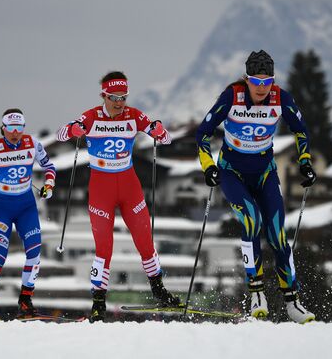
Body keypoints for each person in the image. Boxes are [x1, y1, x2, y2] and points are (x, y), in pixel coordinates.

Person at [195, 50, 317, 323]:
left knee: (277, 235)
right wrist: (209, 166)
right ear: (247, 80)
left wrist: (305, 162)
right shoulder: (232, 96)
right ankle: (257, 293)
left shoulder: (281, 98)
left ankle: (292, 302)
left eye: (267, 82)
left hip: (265, 173)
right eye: (256, 82)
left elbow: (301, 131)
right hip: (232, 173)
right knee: (251, 222)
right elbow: (202, 133)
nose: (262, 88)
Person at [56, 71, 179, 322]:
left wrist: (158, 130)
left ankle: (159, 290)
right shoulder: (90, 116)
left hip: (129, 186)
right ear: (104, 95)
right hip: (101, 190)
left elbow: (165, 138)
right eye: (114, 97)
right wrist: (73, 129)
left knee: (145, 241)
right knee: (104, 248)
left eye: (123, 97)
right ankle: (98, 302)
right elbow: (61, 134)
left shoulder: (134, 115)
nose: (120, 102)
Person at [0, 108, 56, 320]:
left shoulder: (33, 144)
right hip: (3, 207)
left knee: (34, 254)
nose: (15, 132)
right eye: (10, 128)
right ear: (3, 128)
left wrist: (49, 185)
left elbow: (49, 166)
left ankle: (25, 301)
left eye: (19, 127)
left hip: (26, 206)